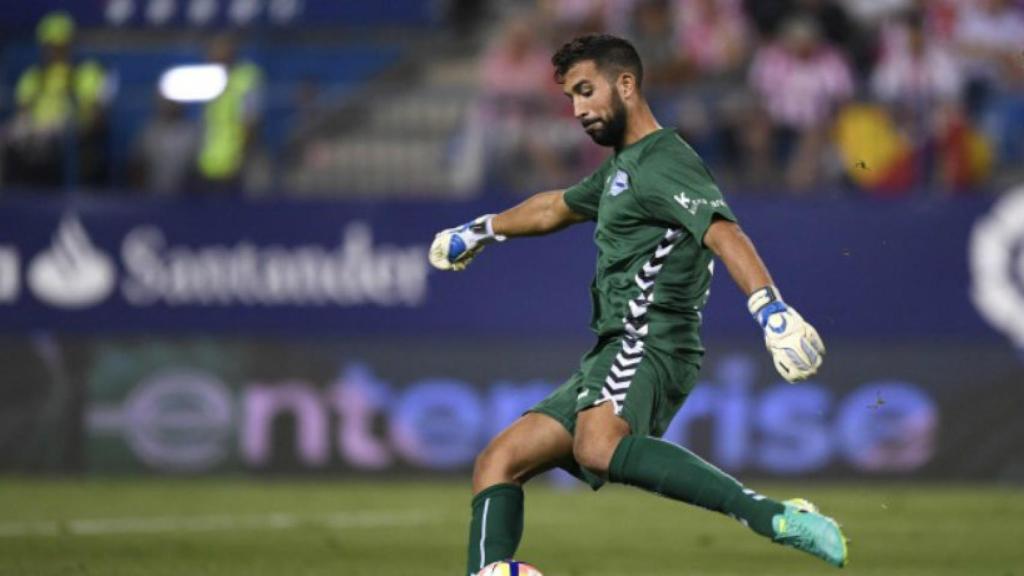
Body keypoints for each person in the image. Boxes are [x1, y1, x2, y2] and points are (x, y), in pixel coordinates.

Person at [428, 34, 846, 576]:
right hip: (612, 348)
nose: (578, 110)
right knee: (498, 461)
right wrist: (480, 230)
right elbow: (556, 206)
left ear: (625, 83)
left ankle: (767, 515)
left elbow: (723, 232)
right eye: (570, 98)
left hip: (650, 341)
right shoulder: (624, 166)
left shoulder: (665, 159)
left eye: (585, 91)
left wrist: (772, 311)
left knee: (597, 446)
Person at [2, 11, 109, 190]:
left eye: (60, 44)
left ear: (69, 44)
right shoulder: (32, 76)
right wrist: (27, 128)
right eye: (50, 45)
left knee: (51, 136)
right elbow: (22, 113)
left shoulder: (87, 73)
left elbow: (95, 117)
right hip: (34, 134)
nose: (54, 50)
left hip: (69, 134)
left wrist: (64, 126)